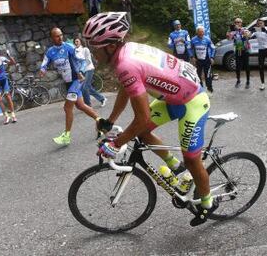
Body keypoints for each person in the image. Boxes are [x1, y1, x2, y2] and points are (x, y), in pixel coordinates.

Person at [83, 12, 218, 227]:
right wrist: (110, 120)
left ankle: (208, 203)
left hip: (192, 101)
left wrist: (116, 144)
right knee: (142, 133)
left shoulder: (125, 64)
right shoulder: (125, 52)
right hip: (175, 96)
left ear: (109, 46)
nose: (93, 53)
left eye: (95, 47)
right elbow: (126, 90)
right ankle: (176, 169)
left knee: (192, 159)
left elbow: (142, 118)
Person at [40, 28, 100, 145]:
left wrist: (81, 71)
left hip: (77, 80)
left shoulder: (69, 47)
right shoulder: (50, 51)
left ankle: (66, 136)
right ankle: (101, 122)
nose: (60, 37)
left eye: (61, 35)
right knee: (81, 106)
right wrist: (42, 69)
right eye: (57, 36)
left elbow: (83, 61)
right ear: (52, 38)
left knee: (67, 108)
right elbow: (45, 62)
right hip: (68, 82)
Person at [73, 37, 106, 107]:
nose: (76, 43)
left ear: (81, 42)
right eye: (75, 42)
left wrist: (82, 69)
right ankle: (102, 99)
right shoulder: (75, 51)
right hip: (82, 72)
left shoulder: (85, 49)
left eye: (77, 41)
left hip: (89, 69)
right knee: (88, 88)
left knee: (85, 87)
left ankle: (88, 105)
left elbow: (88, 61)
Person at [226, 18, 251, 88]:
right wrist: (229, 31)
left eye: (238, 22)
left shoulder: (245, 28)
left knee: (246, 65)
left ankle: (248, 81)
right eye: (235, 22)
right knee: (238, 66)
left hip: (245, 49)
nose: (237, 23)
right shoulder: (233, 31)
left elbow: (248, 35)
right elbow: (229, 38)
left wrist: (239, 29)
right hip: (238, 49)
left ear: (241, 23)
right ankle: (238, 80)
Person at [191, 25, 215, 94]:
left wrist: (212, 57)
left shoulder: (207, 39)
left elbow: (213, 48)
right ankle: (200, 91)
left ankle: (210, 90)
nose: (202, 33)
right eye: (200, 32)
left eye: (202, 32)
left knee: (208, 76)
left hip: (207, 61)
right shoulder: (193, 40)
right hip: (198, 61)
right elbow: (189, 48)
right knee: (198, 76)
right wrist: (192, 57)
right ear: (197, 32)